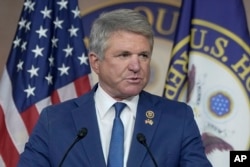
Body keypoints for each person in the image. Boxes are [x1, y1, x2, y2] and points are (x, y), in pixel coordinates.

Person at [17, 9, 212, 167]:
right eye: (124, 55)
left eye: (143, 55)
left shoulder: (178, 118)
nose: (136, 66)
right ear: (96, 62)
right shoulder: (56, 121)